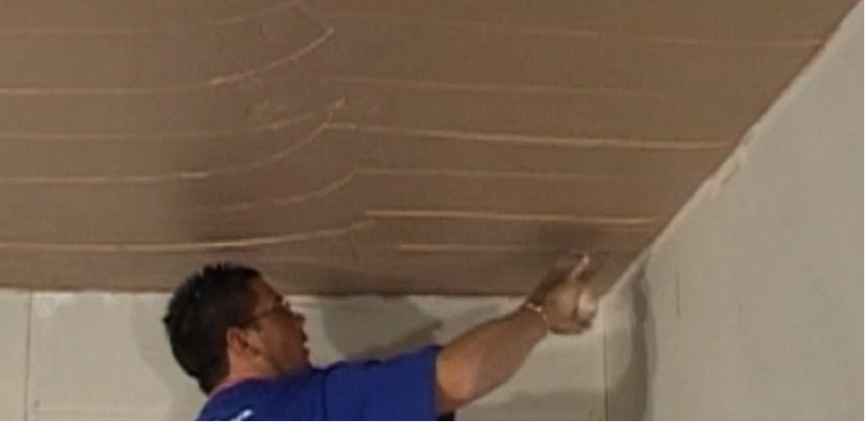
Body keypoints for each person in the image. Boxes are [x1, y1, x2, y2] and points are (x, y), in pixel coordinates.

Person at [162, 252, 599, 422]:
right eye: (281, 310)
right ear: (241, 342)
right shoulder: (309, 405)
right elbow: (459, 377)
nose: (298, 322)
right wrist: (543, 314)